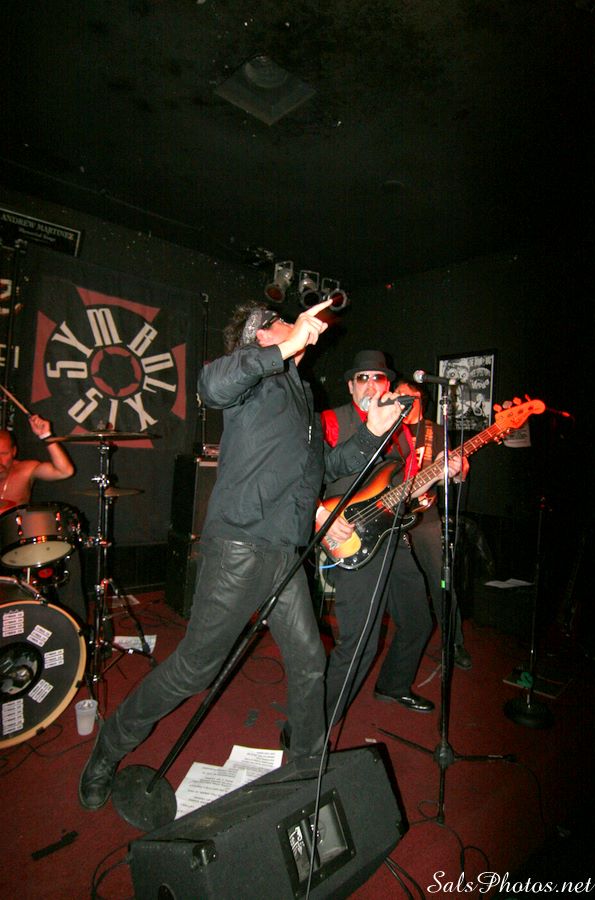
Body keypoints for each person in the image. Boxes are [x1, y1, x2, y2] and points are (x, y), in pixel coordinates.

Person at [79, 301, 404, 811]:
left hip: (285, 553)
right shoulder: (251, 378)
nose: (297, 327)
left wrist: (372, 432)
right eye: (282, 323)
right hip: (239, 546)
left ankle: (304, 776)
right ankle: (109, 747)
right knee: (194, 669)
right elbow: (211, 385)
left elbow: (324, 466)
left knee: (309, 663)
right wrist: (283, 346)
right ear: (261, 335)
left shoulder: (302, 394)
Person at [318, 350, 465, 728]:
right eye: (362, 378)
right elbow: (305, 475)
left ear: (387, 385)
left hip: (393, 535)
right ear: (350, 386)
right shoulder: (331, 421)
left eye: (378, 378)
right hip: (350, 535)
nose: (371, 385)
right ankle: (312, 725)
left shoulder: (400, 430)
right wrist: (319, 514)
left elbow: (404, 489)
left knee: (418, 621)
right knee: (359, 643)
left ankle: (393, 684)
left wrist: (441, 474)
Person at [390, 376, 472, 671]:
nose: (396, 398)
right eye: (395, 393)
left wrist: (457, 470)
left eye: (402, 394)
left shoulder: (435, 432)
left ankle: (454, 642)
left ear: (418, 399)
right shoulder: (388, 429)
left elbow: (452, 474)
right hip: (389, 517)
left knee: (441, 580)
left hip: (425, 517)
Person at [0, 416, 85, 621]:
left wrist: (46, 436)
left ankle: (75, 626)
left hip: (14, 541)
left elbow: (65, 471)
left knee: (67, 552)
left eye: (3, 454)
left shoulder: (25, 469)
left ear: (14, 452)